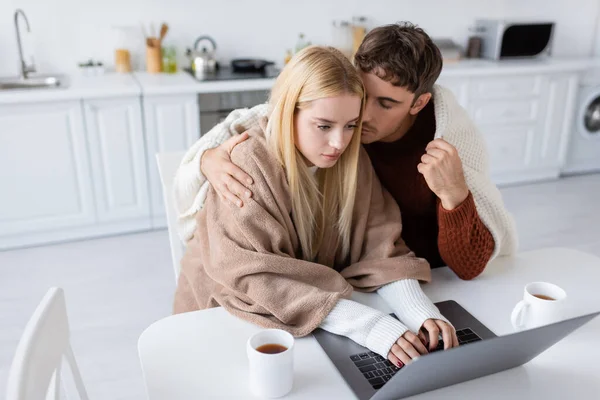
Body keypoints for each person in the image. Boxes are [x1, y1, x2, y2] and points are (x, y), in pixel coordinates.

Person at [173, 46, 458, 368]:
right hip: (221, 324)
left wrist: (418, 311)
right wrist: (371, 326)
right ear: (286, 112)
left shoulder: (350, 161)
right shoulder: (245, 166)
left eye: (351, 125)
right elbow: (256, 278)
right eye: (323, 126)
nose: (339, 142)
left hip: (307, 319)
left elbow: (379, 243)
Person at [173, 22, 518, 281]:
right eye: (363, 96)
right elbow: (272, 113)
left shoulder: (448, 137)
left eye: (386, 104)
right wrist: (206, 160)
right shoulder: (343, 115)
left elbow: (470, 267)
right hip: (356, 277)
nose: (362, 116)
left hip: (425, 278)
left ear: (419, 103)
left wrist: (454, 195)